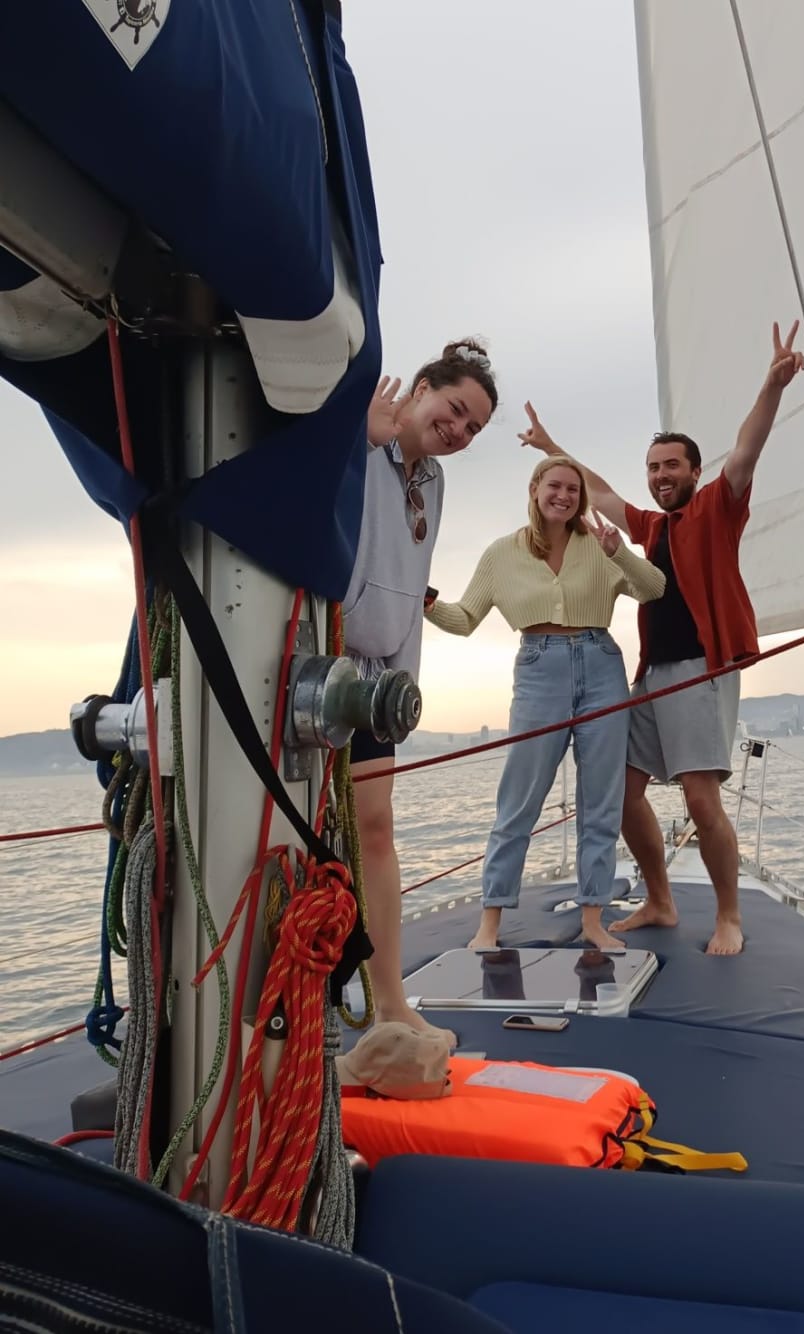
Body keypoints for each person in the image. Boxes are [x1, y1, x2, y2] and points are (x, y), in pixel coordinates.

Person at [518, 322, 804, 956]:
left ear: (695, 470)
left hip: (702, 670)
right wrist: (549, 447)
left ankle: (728, 915)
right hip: (651, 675)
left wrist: (772, 385)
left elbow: (747, 448)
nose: (661, 475)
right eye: (653, 468)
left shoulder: (718, 506)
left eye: (672, 465)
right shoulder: (651, 527)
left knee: (702, 800)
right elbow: (597, 492)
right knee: (621, 792)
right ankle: (660, 899)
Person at [424, 454, 665, 953]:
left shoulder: (600, 545)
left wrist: (620, 553)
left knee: (601, 801)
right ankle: (490, 923)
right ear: (535, 489)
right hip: (538, 669)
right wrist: (423, 600)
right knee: (519, 799)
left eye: (573, 490)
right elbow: (464, 619)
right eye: (554, 485)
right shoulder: (501, 554)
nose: (564, 496)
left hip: (602, 666)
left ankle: (593, 919)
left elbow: (654, 588)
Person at [343, 339, 498, 1040]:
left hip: (379, 682)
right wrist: (357, 443)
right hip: (324, 667)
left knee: (376, 828)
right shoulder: (357, 438)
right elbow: (306, 507)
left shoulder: (432, 481)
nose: (458, 430)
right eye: (455, 409)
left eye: (473, 428)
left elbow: (412, 588)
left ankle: (389, 1000)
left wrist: (405, 687)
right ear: (423, 387)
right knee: (302, 832)